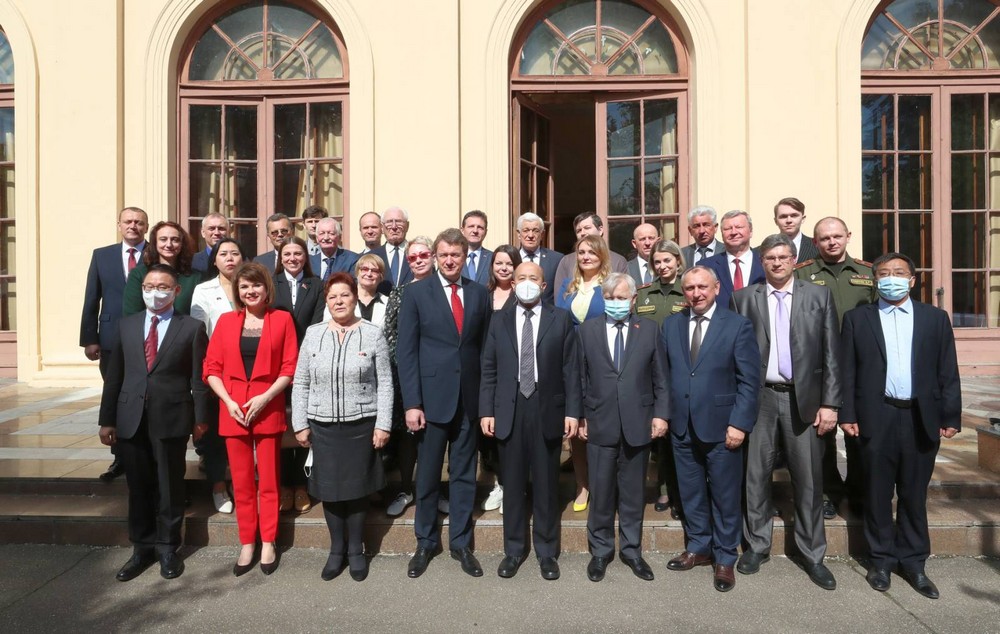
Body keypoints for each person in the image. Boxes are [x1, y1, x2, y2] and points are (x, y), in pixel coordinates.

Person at [840, 252, 961, 600]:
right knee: (877, 492)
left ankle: (914, 562)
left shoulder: (934, 318)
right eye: (883, 273)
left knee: (913, 494)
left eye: (898, 272)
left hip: (920, 417)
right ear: (875, 280)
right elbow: (848, 371)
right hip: (876, 416)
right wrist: (847, 414)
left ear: (912, 280)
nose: (891, 278)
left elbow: (947, 369)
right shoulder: (857, 319)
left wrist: (950, 415)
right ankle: (880, 560)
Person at [729, 234, 840, 591]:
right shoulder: (743, 298)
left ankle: (812, 554)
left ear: (794, 259)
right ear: (762, 262)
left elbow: (831, 354)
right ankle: (757, 545)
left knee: (808, 479)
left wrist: (830, 403)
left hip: (803, 400)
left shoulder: (818, 296)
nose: (776, 263)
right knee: (755, 474)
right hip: (759, 398)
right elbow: (733, 356)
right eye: (770, 258)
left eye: (782, 257)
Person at [98, 264, 209, 582]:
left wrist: (201, 419)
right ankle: (141, 548)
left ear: (176, 291)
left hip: (172, 416)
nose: (155, 293)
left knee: (169, 486)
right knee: (138, 487)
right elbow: (114, 376)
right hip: (130, 417)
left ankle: (168, 548)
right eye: (149, 287)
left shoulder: (191, 328)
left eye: (162, 287)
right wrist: (107, 420)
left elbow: (198, 379)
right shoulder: (127, 325)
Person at [397, 228, 490, 579]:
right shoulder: (416, 293)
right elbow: (406, 352)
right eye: (444, 254)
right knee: (428, 475)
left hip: (469, 400)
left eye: (456, 255)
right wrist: (412, 403)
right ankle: (425, 541)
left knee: (464, 475)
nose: (450, 261)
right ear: (436, 256)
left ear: (465, 257)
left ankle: (461, 543)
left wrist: (486, 402)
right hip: (430, 401)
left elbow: (485, 351)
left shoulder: (479, 293)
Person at [661, 266, 760, 592]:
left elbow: (749, 381)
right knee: (690, 492)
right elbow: (665, 375)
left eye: (702, 287)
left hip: (722, 427)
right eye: (690, 288)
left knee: (725, 494)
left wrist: (739, 423)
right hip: (682, 426)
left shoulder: (737, 325)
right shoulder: (671, 324)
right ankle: (699, 546)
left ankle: (725, 556)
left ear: (717, 288)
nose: (696, 293)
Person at [480, 261, 580, 580]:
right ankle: (513, 550)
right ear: (512, 284)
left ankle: (547, 552)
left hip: (546, 406)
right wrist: (486, 410)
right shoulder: (499, 320)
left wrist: (573, 412)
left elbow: (571, 370)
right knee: (512, 484)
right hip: (509, 408)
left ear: (543, 285)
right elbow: (489, 368)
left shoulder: (560, 318)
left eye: (533, 278)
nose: (526, 282)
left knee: (547, 484)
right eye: (520, 277)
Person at [291, 273, 393, 582]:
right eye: (333, 296)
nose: (339, 301)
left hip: (360, 425)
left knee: (357, 491)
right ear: (327, 301)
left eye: (345, 295)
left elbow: (385, 383)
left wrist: (383, 424)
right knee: (331, 491)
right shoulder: (314, 334)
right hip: (322, 426)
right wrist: (299, 423)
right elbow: (301, 382)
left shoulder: (372, 333)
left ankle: (356, 550)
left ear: (354, 298)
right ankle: (337, 549)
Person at [203, 262, 298, 576]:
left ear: (266, 288)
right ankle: (247, 541)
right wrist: (228, 401)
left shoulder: (282, 319)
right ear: (237, 291)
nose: (250, 291)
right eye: (244, 286)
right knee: (241, 482)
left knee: (268, 480)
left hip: (267, 405)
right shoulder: (226, 322)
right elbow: (211, 368)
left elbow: (289, 366)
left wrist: (266, 397)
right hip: (233, 409)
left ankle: (268, 540)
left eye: (256, 285)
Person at [578, 272, 668, 582]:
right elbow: (580, 377)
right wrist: (580, 416)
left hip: (638, 422)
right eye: (610, 298)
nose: (616, 302)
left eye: (621, 298)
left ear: (633, 300)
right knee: (601, 491)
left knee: (632, 493)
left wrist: (661, 415)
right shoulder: (587, 331)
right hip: (599, 422)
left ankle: (632, 551)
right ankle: (601, 551)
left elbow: (660, 377)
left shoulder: (649, 330)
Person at [795, 217, 875, 517]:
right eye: (825, 238)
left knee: (859, 430)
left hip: (860, 364)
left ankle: (858, 491)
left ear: (848, 236)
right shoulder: (802, 273)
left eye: (837, 236)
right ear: (815, 242)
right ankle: (829, 492)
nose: (832, 242)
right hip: (818, 364)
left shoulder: (869, 273)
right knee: (821, 433)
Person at [80, 206, 148, 482]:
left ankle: (141, 452)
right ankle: (119, 457)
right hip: (110, 336)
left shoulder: (155, 253)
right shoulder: (102, 255)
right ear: (119, 225)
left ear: (146, 227)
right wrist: (89, 338)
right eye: (128, 221)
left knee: (140, 396)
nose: (133, 226)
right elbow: (91, 297)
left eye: (139, 222)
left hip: (146, 335)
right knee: (114, 393)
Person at [190, 237, 246, 515]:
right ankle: (218, 485)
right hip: (218, 369)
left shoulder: (251, 286)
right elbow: (199, 332)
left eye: (235, 253)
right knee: (215, 432)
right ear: (214, 260)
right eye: (223, 254)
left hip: (248, 367)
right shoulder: (203, 290)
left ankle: (242, 483)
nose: (230, 258)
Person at [555, 234, 610, 512]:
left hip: (600, 358)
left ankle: (602, 485)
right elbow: (557, 321)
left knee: (598, 423)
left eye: (592, 252)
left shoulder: (610, 284)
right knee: (576, 423)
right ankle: (582, 485)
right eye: (581, 252)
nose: (586, 256)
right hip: (569, 359)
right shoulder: (568, 285)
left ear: (602, 255)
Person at [382, 237, 435, 517]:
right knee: (407, 435)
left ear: (433, 256)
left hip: (438, 376)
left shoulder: (444, 289)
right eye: (412, 257)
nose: (418, 261)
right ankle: (405, 489)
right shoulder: (400, 293)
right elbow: (390, 334)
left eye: (423, 255)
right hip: (407, 374)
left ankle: (435, 491)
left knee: (435, 435)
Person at [272, 237, 325, 513]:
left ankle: (302, 486)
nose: (293, 258)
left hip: (308, 362)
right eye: (287, 254)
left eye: (298, 253)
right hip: (276, 364)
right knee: (281, 425)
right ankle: (284, 485)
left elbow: (317, 324)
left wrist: (301, 357)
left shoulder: (316, 285)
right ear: (280, 257)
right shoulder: (271, 283)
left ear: (306, 257)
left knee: (304, 423)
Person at [633, 239, 686, 518]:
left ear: (678, 260)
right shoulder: (643, 294)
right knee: (660, 438)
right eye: (657, 262)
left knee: (681, 436)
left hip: (682, 372)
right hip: (652, 374)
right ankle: (664, 488)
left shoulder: (688, 290)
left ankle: (682, 492)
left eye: (667, 260)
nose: (662, 266)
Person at [122, 221, 202, 315]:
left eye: (175, 240)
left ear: (182, 244)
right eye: (163, 239)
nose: (169, 245)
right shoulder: (139, 274)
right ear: (155, 243)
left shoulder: (195, 277)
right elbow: (131, 314)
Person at [552, 212, 628, 295]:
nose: (583, 233)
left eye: (587, 228)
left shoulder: (618, 261)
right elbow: (559, 295)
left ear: (600, 230)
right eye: (578, 231)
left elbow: (624, 294)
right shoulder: (567, 261)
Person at [701, 210, 765, 308]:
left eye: (739, 227)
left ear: (751, 231)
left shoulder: (765, 263)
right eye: (728, 229)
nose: (733, 232)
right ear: (722, 234)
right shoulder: (706, 266)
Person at [515, 212, 561, 304]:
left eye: (535, 231)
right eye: (526, 230)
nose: (530, 235)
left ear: (542, 234)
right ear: (519, 234)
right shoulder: (511, 259)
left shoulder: (556, 259)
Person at [372, 206, 412, 288]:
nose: (394, 226)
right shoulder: (372, 256)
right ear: (382, 227)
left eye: (398, 221)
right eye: (389, 222)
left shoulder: (419, 256)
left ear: (407, 226)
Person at [772, 197, 819, 264]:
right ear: (776, 221)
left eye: (794, 216)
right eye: (783, 216)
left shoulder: (817, 247)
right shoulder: (762, 251)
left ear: (803, 219)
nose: (789, 220)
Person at [355, 254, 390, 328]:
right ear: (357, 272)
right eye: (365, 269)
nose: (369, 274)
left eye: (374, 271)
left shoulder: (388, 303)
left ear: (381, 276)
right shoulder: (344, 299)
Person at [461, 210, 493, 286]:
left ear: (485, 232)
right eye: (471, 226)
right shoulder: (453, 257)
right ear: (462, 230)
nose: (475, 231)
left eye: (480, 227)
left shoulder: (493, 258)